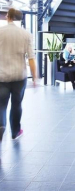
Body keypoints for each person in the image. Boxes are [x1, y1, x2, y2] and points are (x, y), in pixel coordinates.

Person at [0, 8, 36, 142]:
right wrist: (35, 76)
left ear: (8, 16)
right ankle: (15, 131)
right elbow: (31, 57)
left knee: (1, 105)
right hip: (19, 77)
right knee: (16, 105)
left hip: (1, 76)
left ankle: (1, 125)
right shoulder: (25, 34)